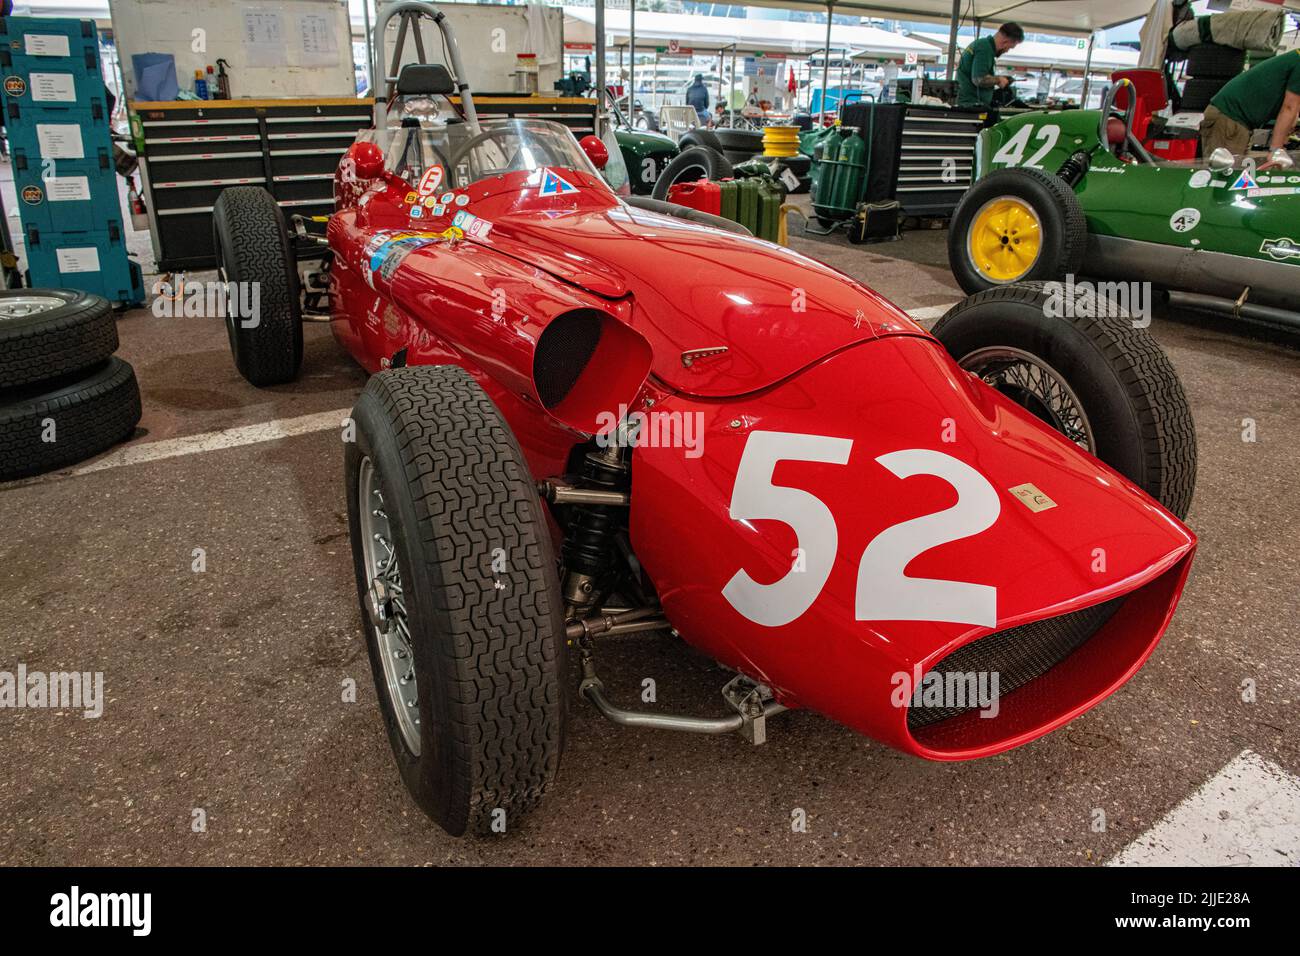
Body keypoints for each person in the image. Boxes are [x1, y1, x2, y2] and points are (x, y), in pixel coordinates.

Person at [1200, 48, 1300, 170]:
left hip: (1238, 120)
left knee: (1234, 174)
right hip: (1230, 117)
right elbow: (1289, 107)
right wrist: (1276, 150)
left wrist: (1284, 140)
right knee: (1224, 176)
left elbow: (1294, 109)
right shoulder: (1298, 61)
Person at [956, 23, 1025, 109]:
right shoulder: (984, 48)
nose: (1007, 51)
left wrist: (999, 79)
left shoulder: (983, 45)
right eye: (1009, 47)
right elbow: (979, 79)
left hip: (970, 103)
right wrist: (999, 80)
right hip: (970, 105)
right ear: (1005, 42)